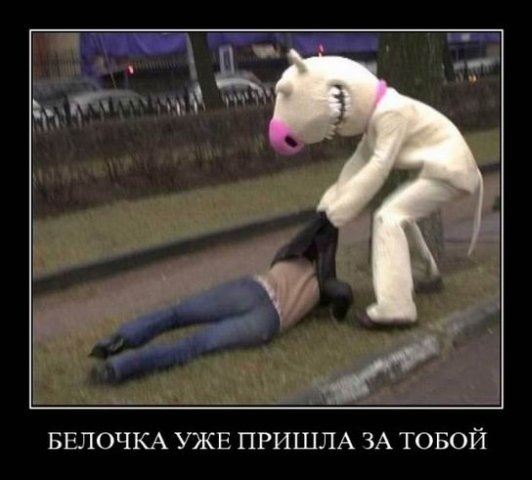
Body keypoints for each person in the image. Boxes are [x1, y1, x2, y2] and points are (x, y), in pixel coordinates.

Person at [268, 49, 484, 328]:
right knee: (397, 212)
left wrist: (339, 212)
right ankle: (424, 273)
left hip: (452, 170)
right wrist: (328, 204)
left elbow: (379, 166)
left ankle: (396, 307)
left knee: (388, 218)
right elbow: (358, 162)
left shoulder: (390, 113)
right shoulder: (377, 118)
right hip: (446, 169)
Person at [89, 212, 353, 384]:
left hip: (254, 289)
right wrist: (333, 305)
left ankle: (118, 339)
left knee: (177, 313)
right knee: (193, 345)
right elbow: (344, 295)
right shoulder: (325, 285)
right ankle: (117, 368)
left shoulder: (288, 256)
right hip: (268, 319)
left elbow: (315, 230)